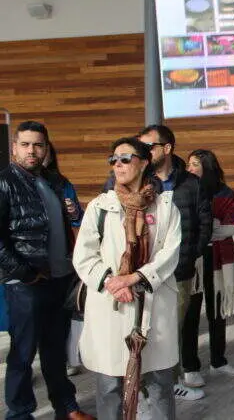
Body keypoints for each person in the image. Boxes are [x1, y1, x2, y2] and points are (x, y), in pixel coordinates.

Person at [73, 137, 181, 419]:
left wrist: (134, 278)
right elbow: (83, 255)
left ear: (144, 162)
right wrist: (112, 282)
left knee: (159, 383)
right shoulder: (100, 206)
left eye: (125, 158)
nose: (117, 164)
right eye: (113, 159)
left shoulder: (166, 207)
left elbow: (170, 253)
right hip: (111, 304)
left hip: (153, 305)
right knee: (109, 384)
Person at [0, 121, 94, 420]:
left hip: (59, 279)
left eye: (38, 145)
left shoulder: (54, 180)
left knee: (56, 351)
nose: (32, 150)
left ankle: (66, 408)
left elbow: (69, 224)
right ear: (14, 147)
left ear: (46, 148)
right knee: (23, 354)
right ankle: (19, 414)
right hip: (26, 283)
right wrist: (24, 272)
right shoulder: (4, 182)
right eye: (25, 144)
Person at [131, 125, 212, 401]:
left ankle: (171, 383)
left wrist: (189, 254)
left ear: (167, 148)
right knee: (142, 330)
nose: (143, 152)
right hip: (143, 274)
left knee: (172, 332)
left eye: (149, 146)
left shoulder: (191, 183)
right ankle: (140, 385)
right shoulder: (138, 180)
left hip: (180, 272)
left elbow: (204, 223)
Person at [181, 149, 234, 387]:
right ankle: (190, 366)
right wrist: (207, 230)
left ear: (207, 166)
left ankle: (218, 361)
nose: (189, 168)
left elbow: (229, 227)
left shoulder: (223, 192)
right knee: (191, 314)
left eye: (194, 164)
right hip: (194, 257)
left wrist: (204, 231)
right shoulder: (186, 190)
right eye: (188, 164)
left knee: (218, 311)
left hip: (218, 257)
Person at [43, 142, 86, 377]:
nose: (38, 153)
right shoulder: (15, 183)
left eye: (44, 150)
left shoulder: (62, 184)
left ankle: (66, 357)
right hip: (33, 263)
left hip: (62, 257)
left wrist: (73, 212)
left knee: (64, 312)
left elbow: (78, 218)